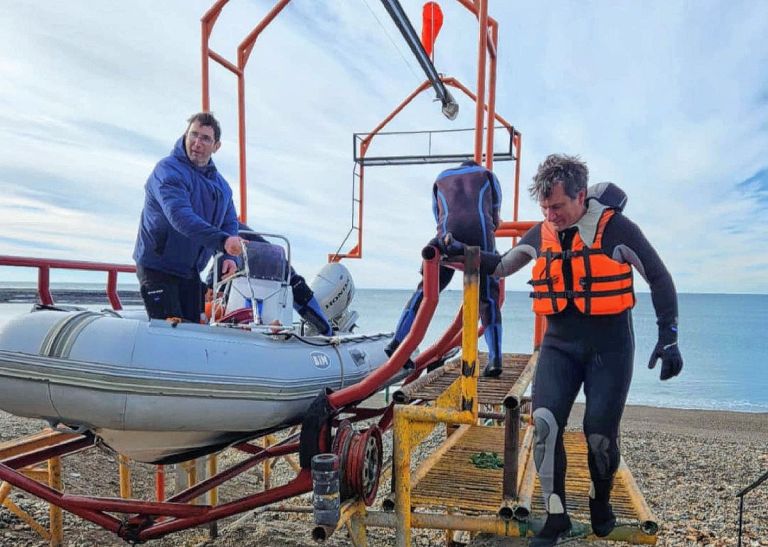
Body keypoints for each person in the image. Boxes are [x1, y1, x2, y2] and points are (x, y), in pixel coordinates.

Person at [476, 154, 683, 545]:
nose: (550, 215)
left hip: (610, 347)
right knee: (545, 426)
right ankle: (556, 518)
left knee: (599, 436)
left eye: (557, 207)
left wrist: (668, 335)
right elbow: (501, 266)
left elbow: (659, 277)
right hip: (559, 346)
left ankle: (600, 502)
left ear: (580, 195)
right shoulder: (542, 234)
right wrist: (461, 254)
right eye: (544, 208)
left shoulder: (616, 229)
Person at [387, 159, 504, 376]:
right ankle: (495, 359)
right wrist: (491, 230)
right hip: (479, 234)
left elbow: (437, 215)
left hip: (446, 235)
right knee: (488, 297)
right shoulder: (488, 175)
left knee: (426, 289)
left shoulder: (440, 178)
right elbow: (495, 215)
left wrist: (447, 235)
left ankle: (396, 343)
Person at [133, 112, 245, 323]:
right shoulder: (167, 170)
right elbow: (180, 216)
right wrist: (223, 242)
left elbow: (230, 221)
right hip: (158, 266)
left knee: (194, 329)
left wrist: (229, 257)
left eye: (205, 138)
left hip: (189, 270)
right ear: (185, 135)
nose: (197, 142)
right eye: (193, 134)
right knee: (171, 334)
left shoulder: (221, 186)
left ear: (216, 146)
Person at [206, 222, 333, 335]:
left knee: (299, 292)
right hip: (244, 275)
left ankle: (329, 333)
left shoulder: (225, 228)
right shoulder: (217, 230)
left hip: (274, 270)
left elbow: (224, 256)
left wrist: (210, 285)